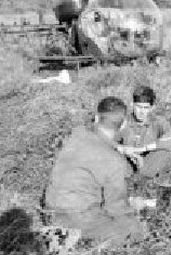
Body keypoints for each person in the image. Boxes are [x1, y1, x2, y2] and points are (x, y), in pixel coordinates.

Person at [44, 96, 145, 243]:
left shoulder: (77, 133)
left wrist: (119, 148)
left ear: (97, 118)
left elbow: (98, 138)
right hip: (75, 218)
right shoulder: (114, 162)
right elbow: (116, 209)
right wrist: (133, 210)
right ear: (123, 125)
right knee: (134, 229)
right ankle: (77, 240)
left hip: (49, 211)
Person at [116, 86, 171, 178]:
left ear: (152, 108)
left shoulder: (158, 121)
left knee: (166, 151)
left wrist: (141, 149)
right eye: (139, 107)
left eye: (145, 108)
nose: (142, 112)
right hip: (127, 161)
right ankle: (131, 176)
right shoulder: (123, 121)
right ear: (132, 104)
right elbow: (105, 139)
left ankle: (142, 176)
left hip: (149, 161)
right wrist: (123, 149)